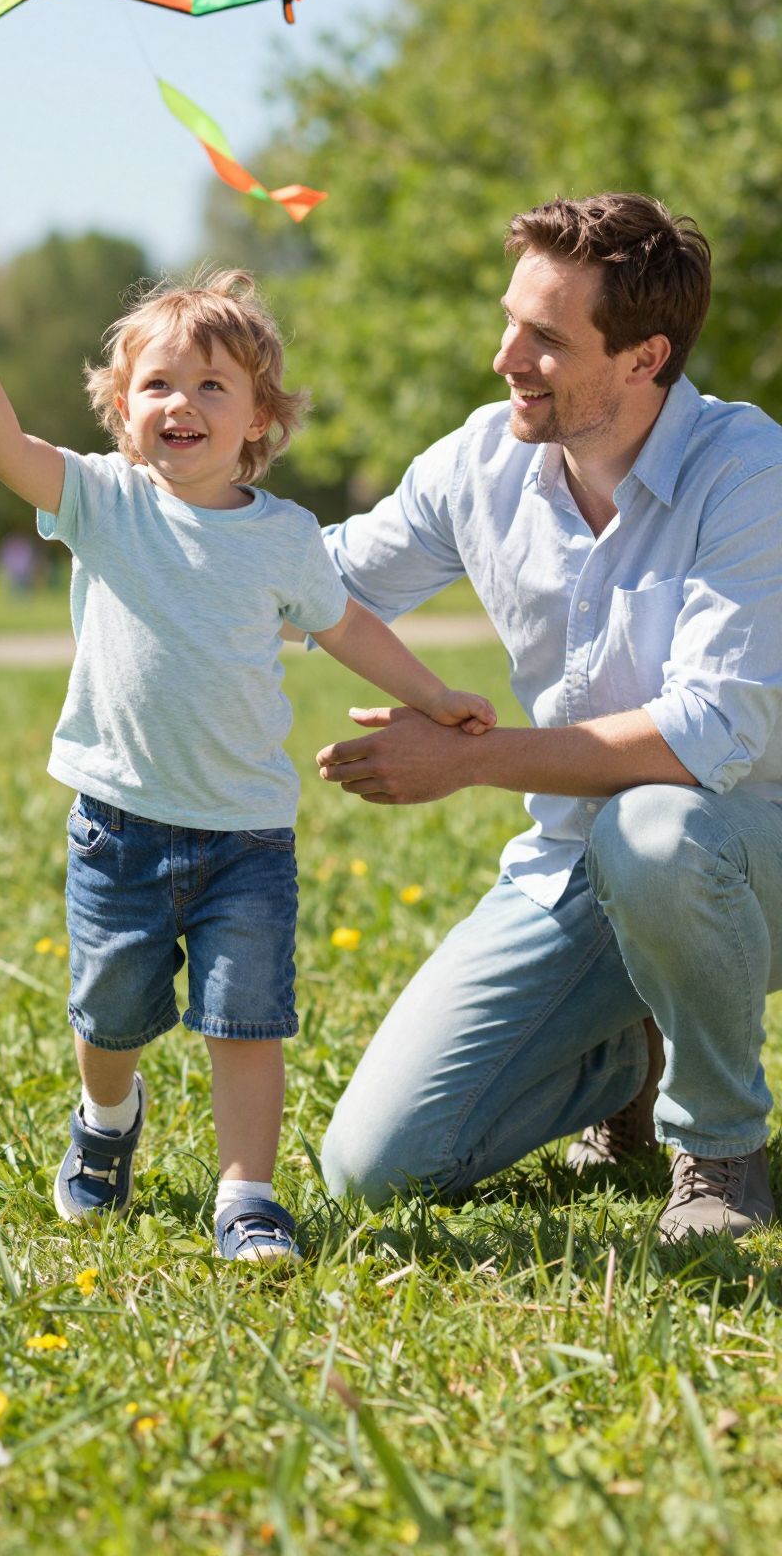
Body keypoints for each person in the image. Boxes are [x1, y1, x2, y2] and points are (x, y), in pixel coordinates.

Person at [0, 268, 495, 1262]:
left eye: (211, 386)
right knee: (110, 1015)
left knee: (247, 1019)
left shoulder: (283, 537)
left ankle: (248, 1196)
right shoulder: (103, 500)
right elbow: (3, 448)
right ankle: (106, 1122)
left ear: (259, 418)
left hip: (246, 835)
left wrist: (433, 693)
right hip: (120, 824)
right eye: (156, 384)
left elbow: (347, 625)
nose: (180, 403)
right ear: (121, 408)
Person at [315, 194, 782, 1241]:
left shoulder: (750, 474)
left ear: (645, 357)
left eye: (546, 339)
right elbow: (315, 581)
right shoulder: (481, 464)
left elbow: (704, 738)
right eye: (509, 321)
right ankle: (619, 1059)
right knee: (372, 1171)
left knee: (655, 826)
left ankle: (720, 1151)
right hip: (580, 867)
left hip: (756, 850)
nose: (505, 358)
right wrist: (163, 518)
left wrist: (466, 760)